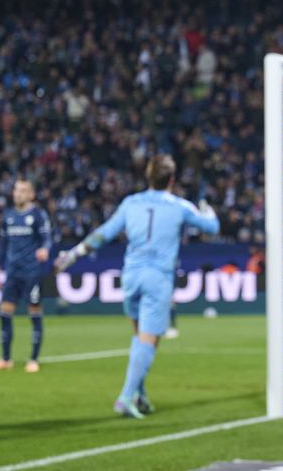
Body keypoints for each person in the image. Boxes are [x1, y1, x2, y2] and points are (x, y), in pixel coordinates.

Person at [53, 155, 220, 418]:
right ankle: (126, 397)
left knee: (139, 338)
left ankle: (140, 395)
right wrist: (208, 210)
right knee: (149, 340)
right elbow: (212, 227)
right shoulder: (180, 205)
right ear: (172, 180)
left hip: (130, 276)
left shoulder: (131, 203)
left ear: (148, 177)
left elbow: (104, 234)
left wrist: (73, 254)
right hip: (158, 278)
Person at [0, 179, 52, 373]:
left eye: (22, 191)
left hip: (32, 272)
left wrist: (44, 250)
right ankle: (6, 359)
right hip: (12, 272)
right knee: (4, 314)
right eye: (16, 190)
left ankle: (33, 359)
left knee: (34, 314)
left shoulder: (38, 215)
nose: (17, 194)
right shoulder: (9, 216)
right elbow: (2, 245)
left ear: (31, 195)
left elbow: (47, 238)